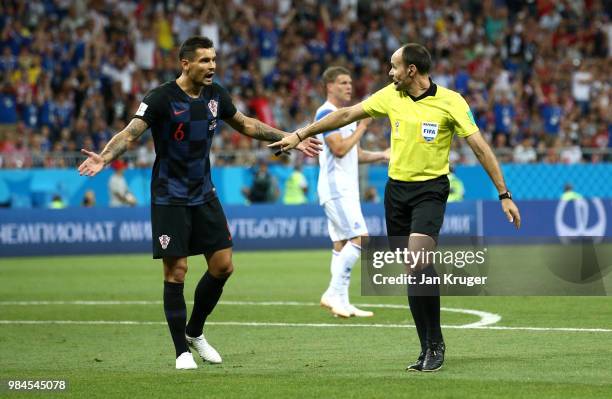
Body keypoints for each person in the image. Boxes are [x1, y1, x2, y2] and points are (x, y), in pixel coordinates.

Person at [270, 43, 521, 372]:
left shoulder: (451, 102)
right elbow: (346, 114)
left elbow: (479, 147)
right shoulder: (391, 95)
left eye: (394, 66)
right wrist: (299, 133)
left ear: (412, 70)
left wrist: (504, 194)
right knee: (414, 271)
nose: (390, 72)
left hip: (431, 189)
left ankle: (436, 344)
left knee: (418, 261)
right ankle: (426, 347)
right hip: (396, 192)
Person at [78, 36, 321, 370]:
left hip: (204, 193)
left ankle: (195, 331)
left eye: (214, 60)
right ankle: (181, 351)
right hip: (169, 197)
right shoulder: (161, 97)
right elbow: (130, 133)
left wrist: (289, 136)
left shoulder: (215, 95)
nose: (212, 66)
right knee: (176, 271)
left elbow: (246, 124)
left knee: (223, 266)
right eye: (205, 60)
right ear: (186, 64)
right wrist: (104, 158)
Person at [315, 66, 389, 318]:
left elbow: (354, 153)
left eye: (350, 82)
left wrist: (382, 155)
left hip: (343, 187)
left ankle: (342, 303)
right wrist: (363, 126)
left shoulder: (342, 115)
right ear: (330, 86)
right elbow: (338, 149)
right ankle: (332, 292)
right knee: (360, 237)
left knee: (341, 242)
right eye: (343, 82)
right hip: (336, 187)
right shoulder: (326, 113)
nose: (349, 86)